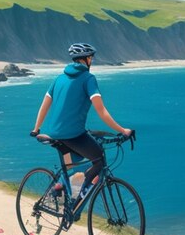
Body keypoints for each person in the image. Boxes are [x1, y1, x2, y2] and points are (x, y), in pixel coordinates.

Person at [31, 43, 132, 215]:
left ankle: (60, 187)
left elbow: (45, 105)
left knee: (76, 161)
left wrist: (36, 128)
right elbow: (101, 110)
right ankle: (75, 205)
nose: (91, 60)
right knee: (98, 159)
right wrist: (122, 130)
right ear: (87, 59)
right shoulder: (88, 79)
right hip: (73, 135)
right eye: (91, 57)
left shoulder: (59, 78)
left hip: (56, 133)